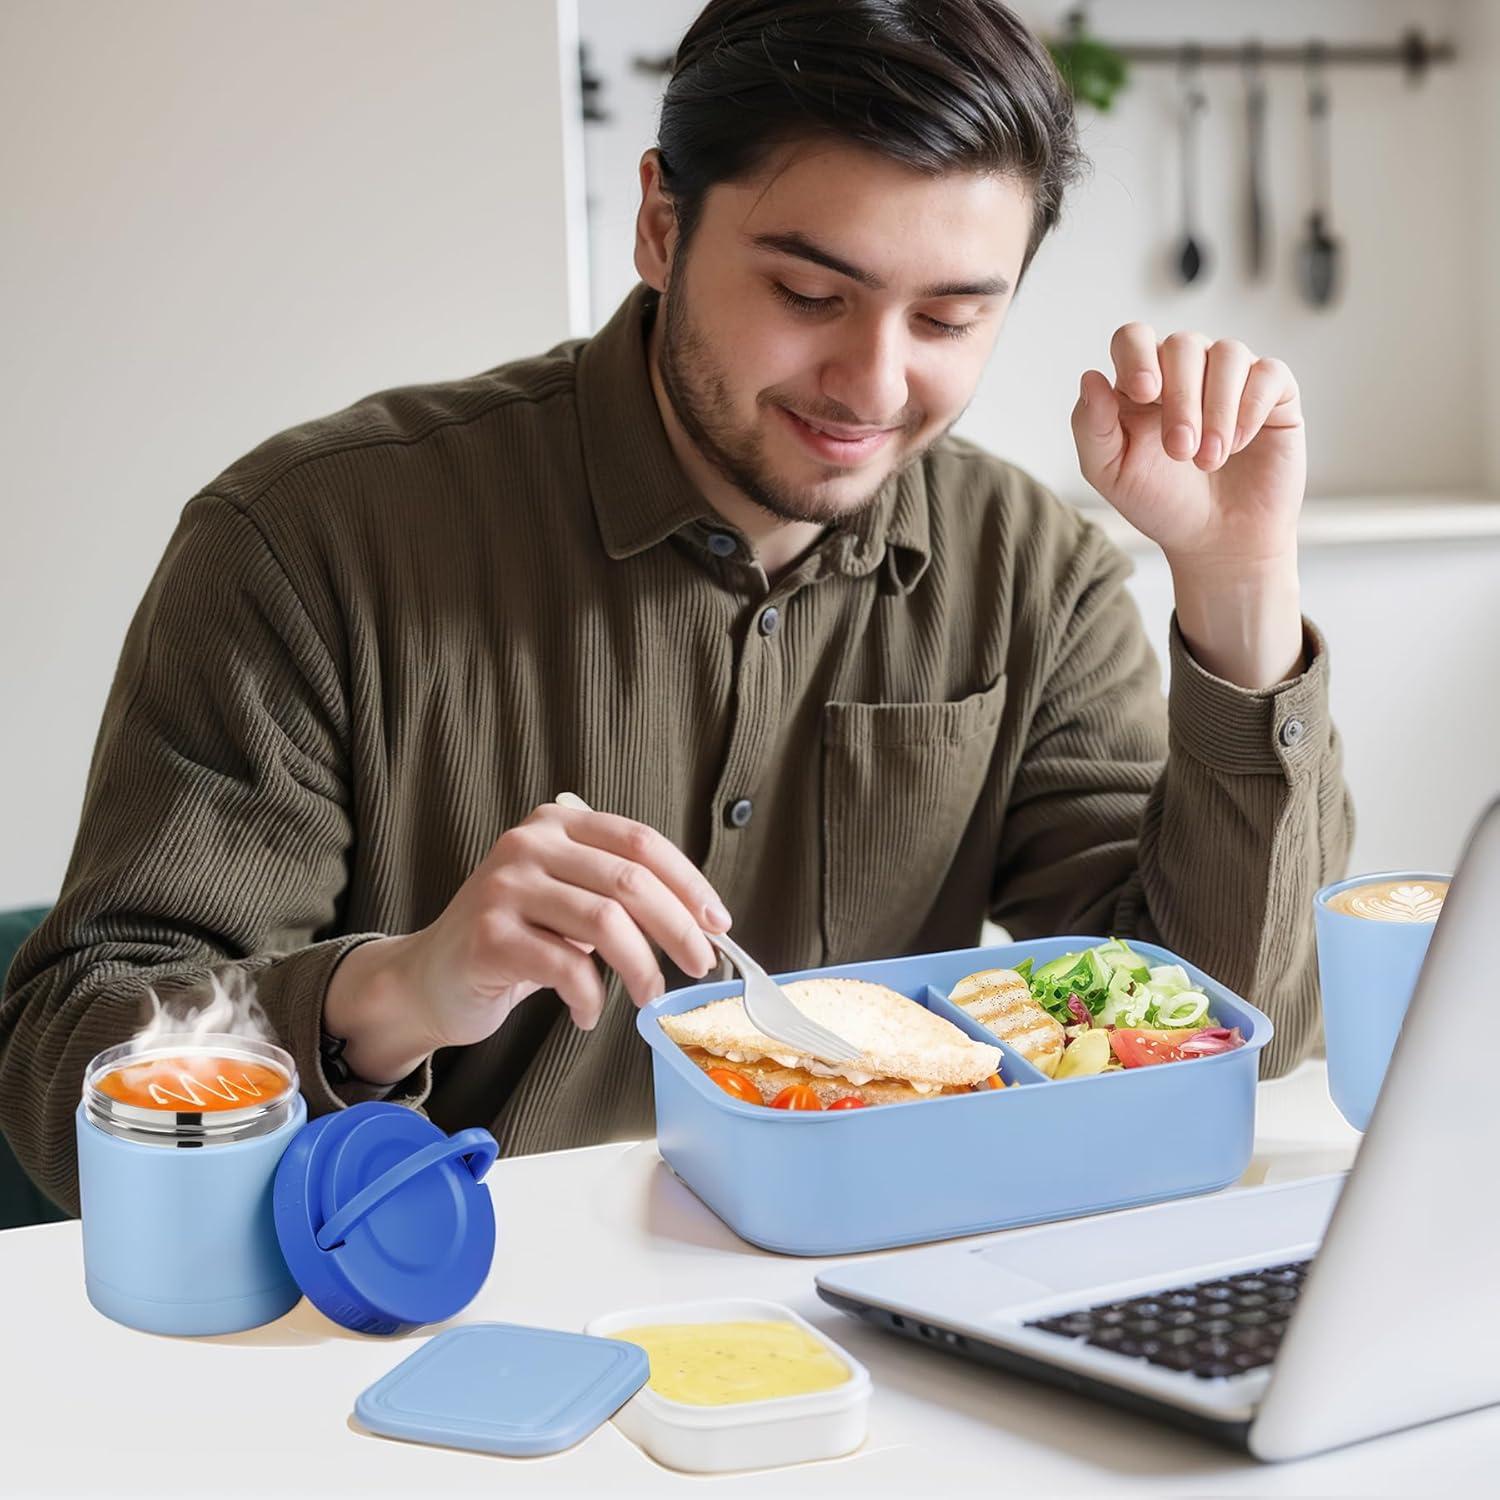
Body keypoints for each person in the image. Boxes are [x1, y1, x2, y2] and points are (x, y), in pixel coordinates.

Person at [0, 0, 1351, 1214]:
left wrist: (1236, 592)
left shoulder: (1033, 570)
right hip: (416, 1340)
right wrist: (394, 993)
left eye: (947, 321)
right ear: (662, 222)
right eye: (810, 293)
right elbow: (68, 1081)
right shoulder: (310, 542)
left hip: (876, 1329)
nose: (873, 386)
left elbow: (1238, 1042)